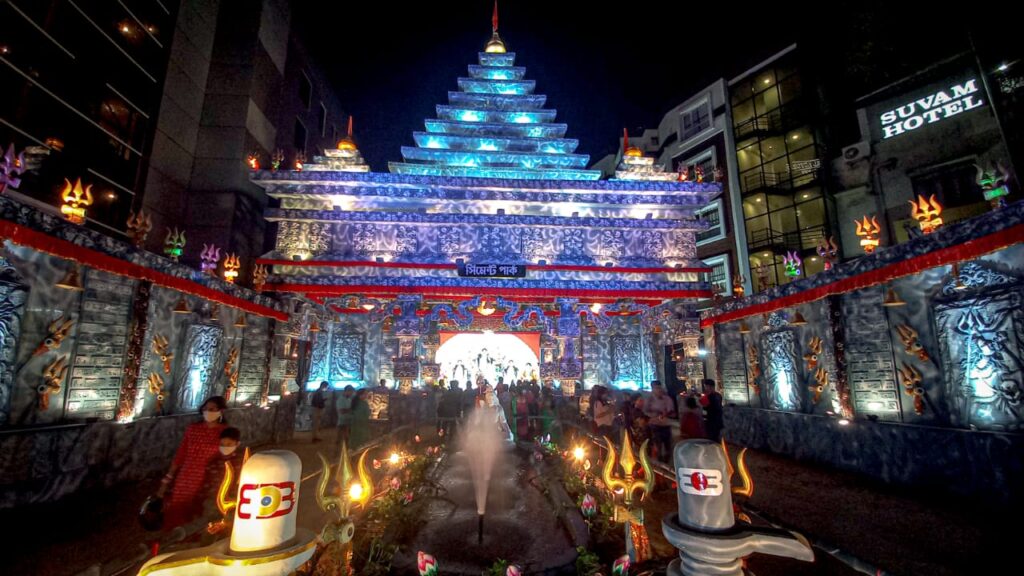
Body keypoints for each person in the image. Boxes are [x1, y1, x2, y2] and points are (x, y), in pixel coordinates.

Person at [157, 396, 228, 530]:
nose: (208, 412)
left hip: (209, 478)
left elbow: (227, 456)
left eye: (212, 409)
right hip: (186, 476)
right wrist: (168, 478)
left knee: (199, 510)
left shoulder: (225, 432)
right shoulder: (193, 429)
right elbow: (181, 454)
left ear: (221, 411)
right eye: (206, 409)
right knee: (178, 509)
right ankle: (173, 540)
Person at [200, 427, 244, 541]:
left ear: (237, 444)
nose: (225, 447)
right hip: (212, 503)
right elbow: (207, 483)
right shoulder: (214, 462)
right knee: (209, 529)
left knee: (229, 532)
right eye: (222, 444)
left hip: (234, 505)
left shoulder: (243, 463)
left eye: (229, 444)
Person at [644, 381, 674, 463]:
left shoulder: (667, 399)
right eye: (656, 388)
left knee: (668, 447)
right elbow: (645, 411)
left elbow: (671, 411)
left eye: (659, 388)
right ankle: (658, 464)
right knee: (657, 446)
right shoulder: (649, 399)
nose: (658, 390)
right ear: (652, 389)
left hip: (665, 425)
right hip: (654, 425)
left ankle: (666, 463)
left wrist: (665, 413)